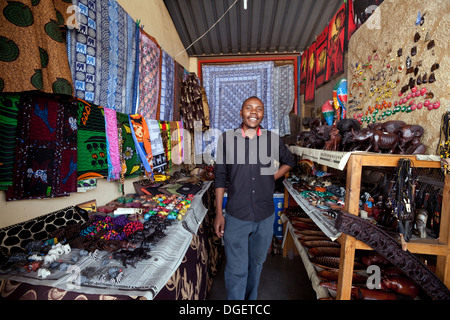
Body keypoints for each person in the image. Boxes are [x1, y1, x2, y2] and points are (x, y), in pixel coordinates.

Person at [214, 96, 296, 300]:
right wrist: (218, 213)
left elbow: (290, 160)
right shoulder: (227, 139)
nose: (253, 112)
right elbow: (220, 177)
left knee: (257, 264)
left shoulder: (272, 139)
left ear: (263, 114)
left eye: (258, 109)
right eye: (248, 108)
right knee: (236, 268)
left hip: (264, 215)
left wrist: (271, 176)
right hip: (237, 215)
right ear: (241, 112)